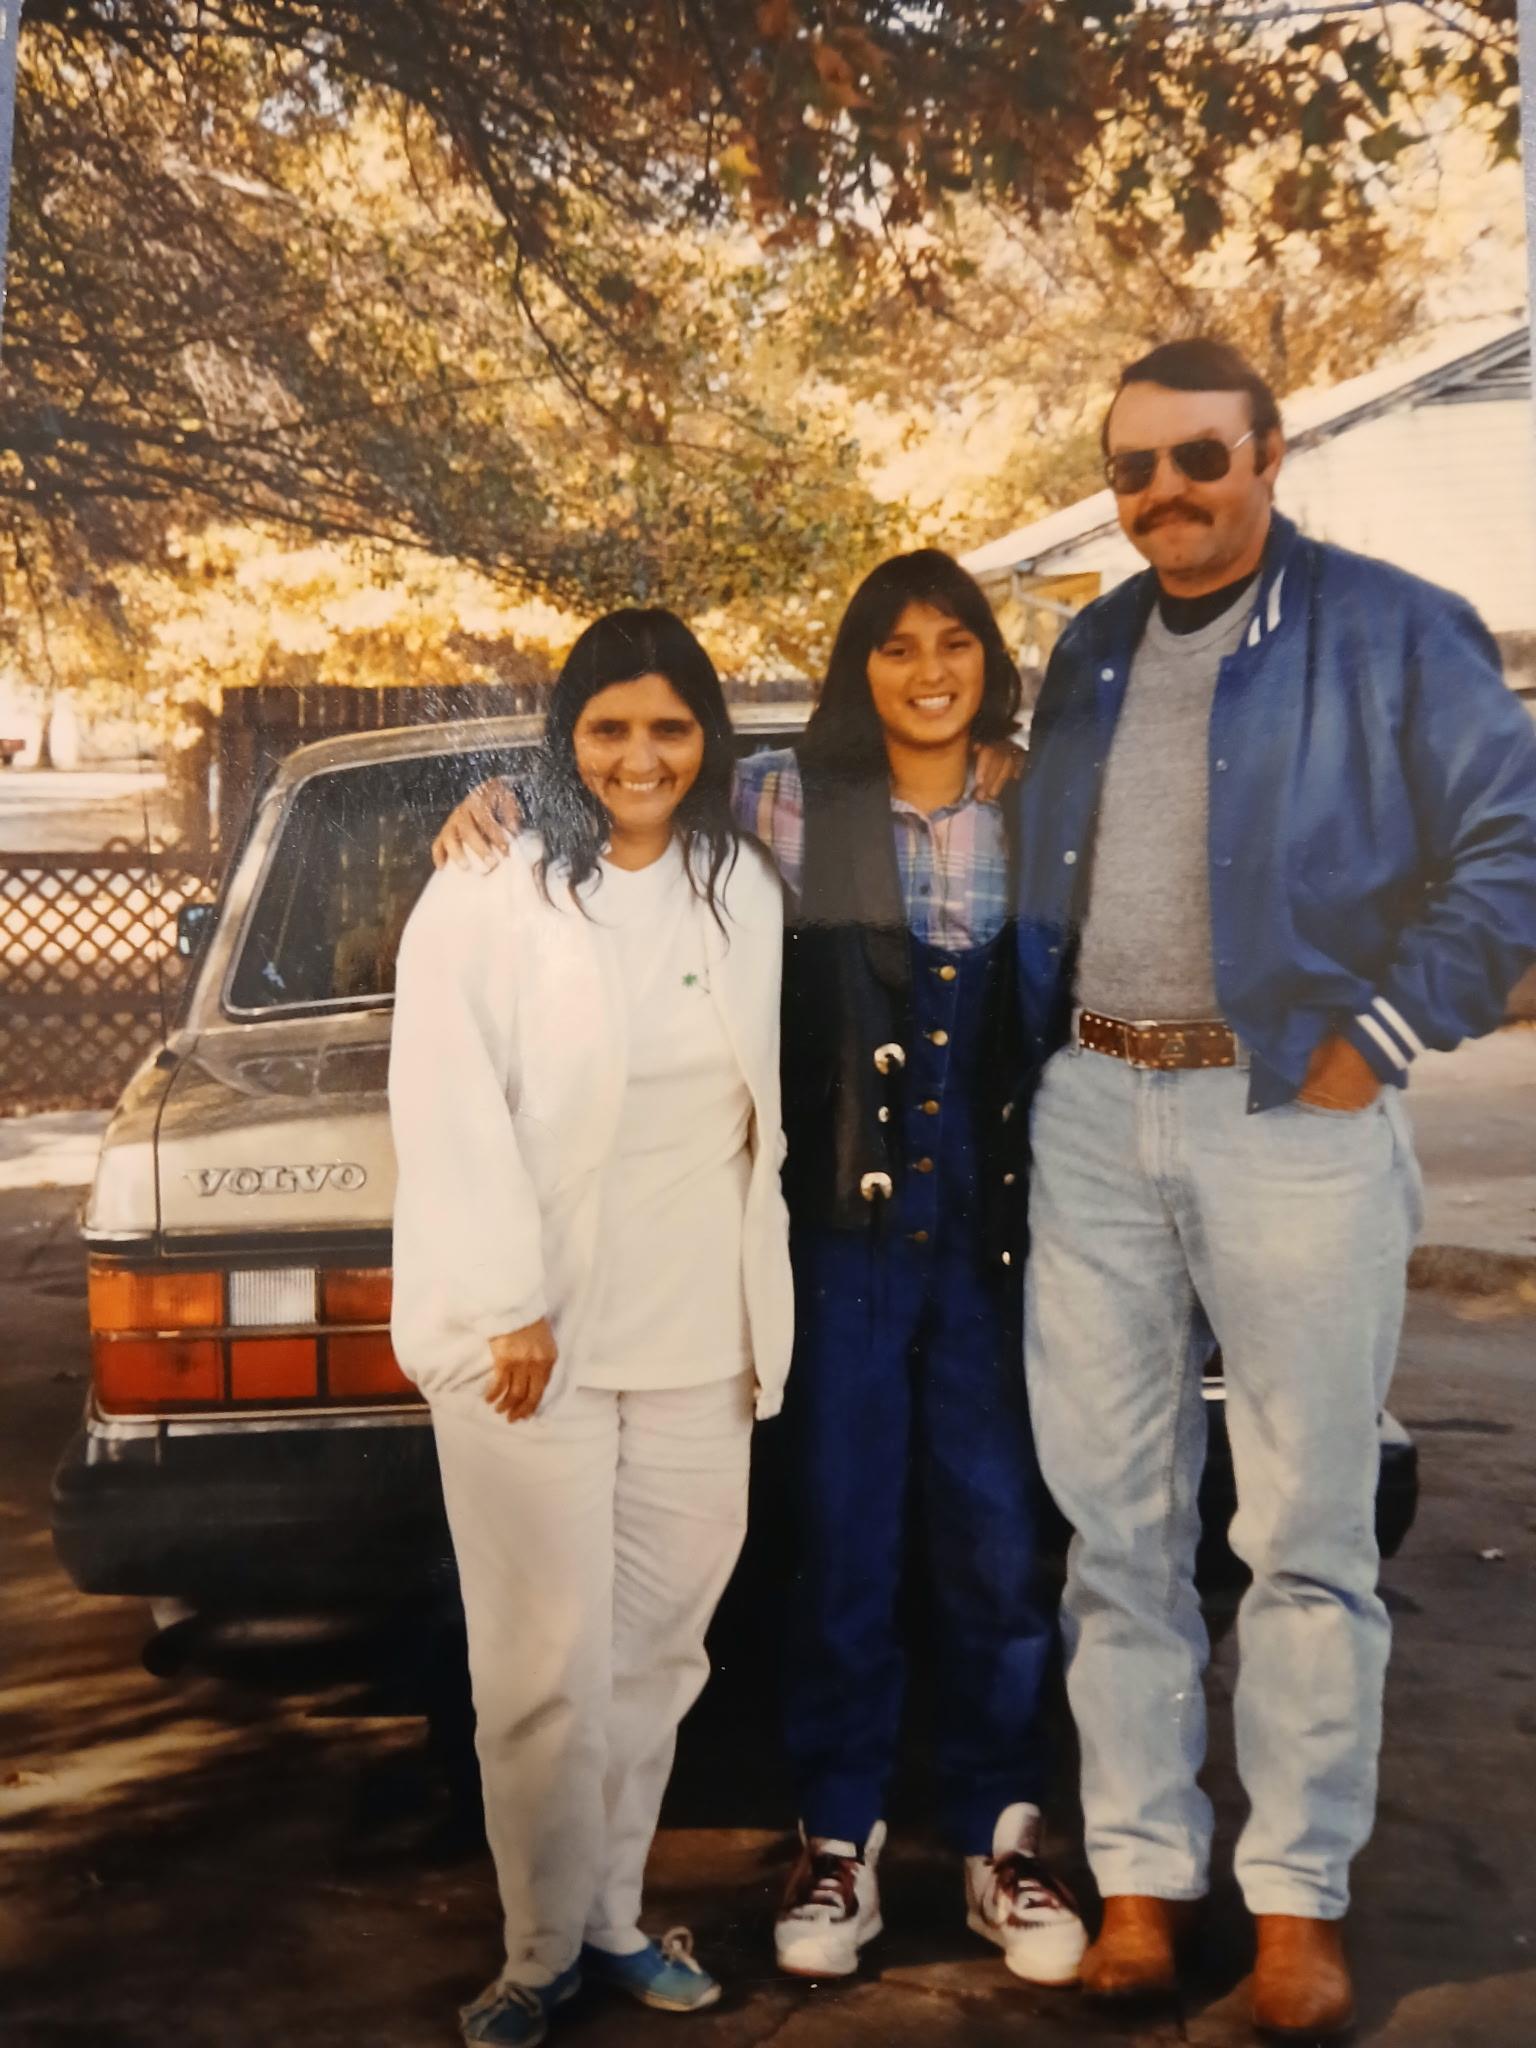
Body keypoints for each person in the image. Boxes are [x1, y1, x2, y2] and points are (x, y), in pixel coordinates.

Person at [436, 552, 1087, 1991]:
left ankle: (1005, 1837)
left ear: (989, 658)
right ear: (857, 666)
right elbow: (624, 795)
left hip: (995, 1238)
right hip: (839, 1247)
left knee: (997, 1549)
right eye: (896, 644)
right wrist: (499, 795)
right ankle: (836, 1836)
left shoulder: (1041, 798)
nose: (928, 668)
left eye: (955, 642)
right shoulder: (782, 804)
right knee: (841, 1546)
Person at [1011, 337, 1536, 2041]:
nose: (1164, 494)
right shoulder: (1089, 649)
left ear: (1269, 453)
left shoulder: (1394, 628)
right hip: (1096, 1108)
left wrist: (1378, 1031)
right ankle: (1145, 1885)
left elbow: (1513, 848)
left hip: (1292, 1116)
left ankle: (1300, 1905)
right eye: (1134, 469)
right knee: (1116, 1531)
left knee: (1304, 1532)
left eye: (1197, 460)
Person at [389, 608, 793, 2048]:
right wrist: (506, 1301)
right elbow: (445, 1099)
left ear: (708, 741)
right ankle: (535, 1950)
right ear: (566, 737)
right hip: (531, 1343)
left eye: (671, 728)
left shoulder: (738, 879)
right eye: (610, 728)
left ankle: (616, 1920)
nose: (640, 756)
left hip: (697, 1337)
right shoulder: (492, 884)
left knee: (657, 1657)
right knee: (540, 1665)